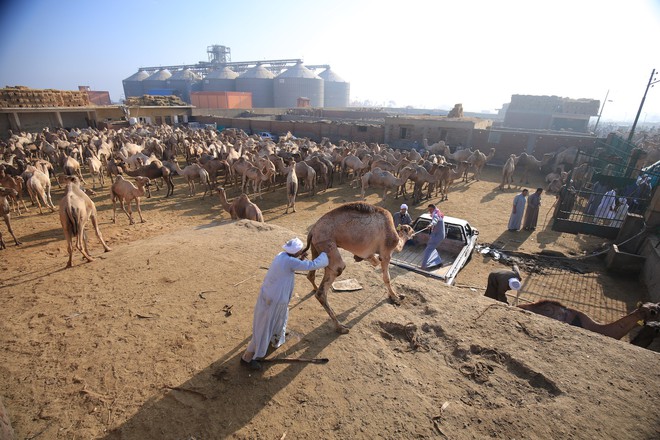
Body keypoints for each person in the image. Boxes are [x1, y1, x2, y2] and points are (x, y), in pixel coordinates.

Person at [241, 238, 329, 371]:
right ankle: (252, 358)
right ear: (295, 252)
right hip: (275, 300)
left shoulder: (281, 256)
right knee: (264, 328)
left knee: (268, 323)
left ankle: (274, 338)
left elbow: (292, 264)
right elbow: (312, 265)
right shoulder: (290, 262)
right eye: (300, 250)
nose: (302, 252)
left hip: (268, 296)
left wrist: (299, 257)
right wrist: (326, 254)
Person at [420, 204, 445, 269]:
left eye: (430, 210)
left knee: (428, 250)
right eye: (429, 210)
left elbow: (435, 221)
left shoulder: (436, 215)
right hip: (437, 235)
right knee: (430, 247)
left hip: (437, 236)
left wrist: (431, 225)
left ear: (433, 209)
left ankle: (423, 266)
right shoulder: (437, 212)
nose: (429, 211)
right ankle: (439, 263)